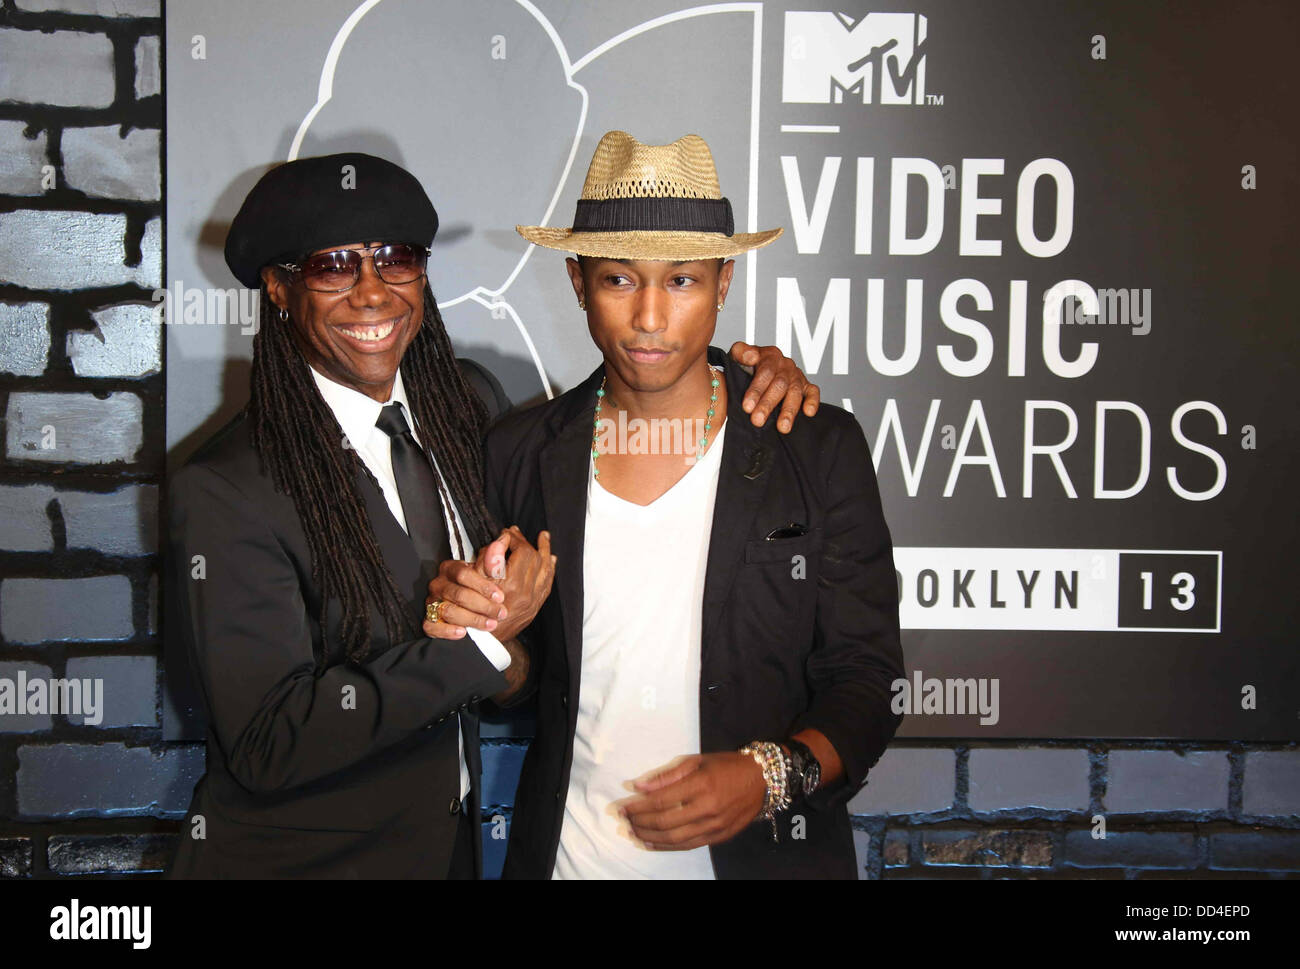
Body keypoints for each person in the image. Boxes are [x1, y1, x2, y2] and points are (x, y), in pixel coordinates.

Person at [167, 151, 821, 879]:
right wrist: (476, 645)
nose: (372, 293)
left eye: (395, 259)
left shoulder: (467, 408)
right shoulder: (227, 485)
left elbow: (524, 661)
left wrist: (744, 376)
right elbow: (267, 742)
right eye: (332, 266)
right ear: (279, 289)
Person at [427, 131, 905, 879]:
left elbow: (869, 681)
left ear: (724, 281)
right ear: (578, 283)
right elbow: (520, 687)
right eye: (620, 279)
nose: (649, 316)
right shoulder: (517, 452)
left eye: (680, 280)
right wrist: (495, 636)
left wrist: (768, 775)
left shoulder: (811, 445)